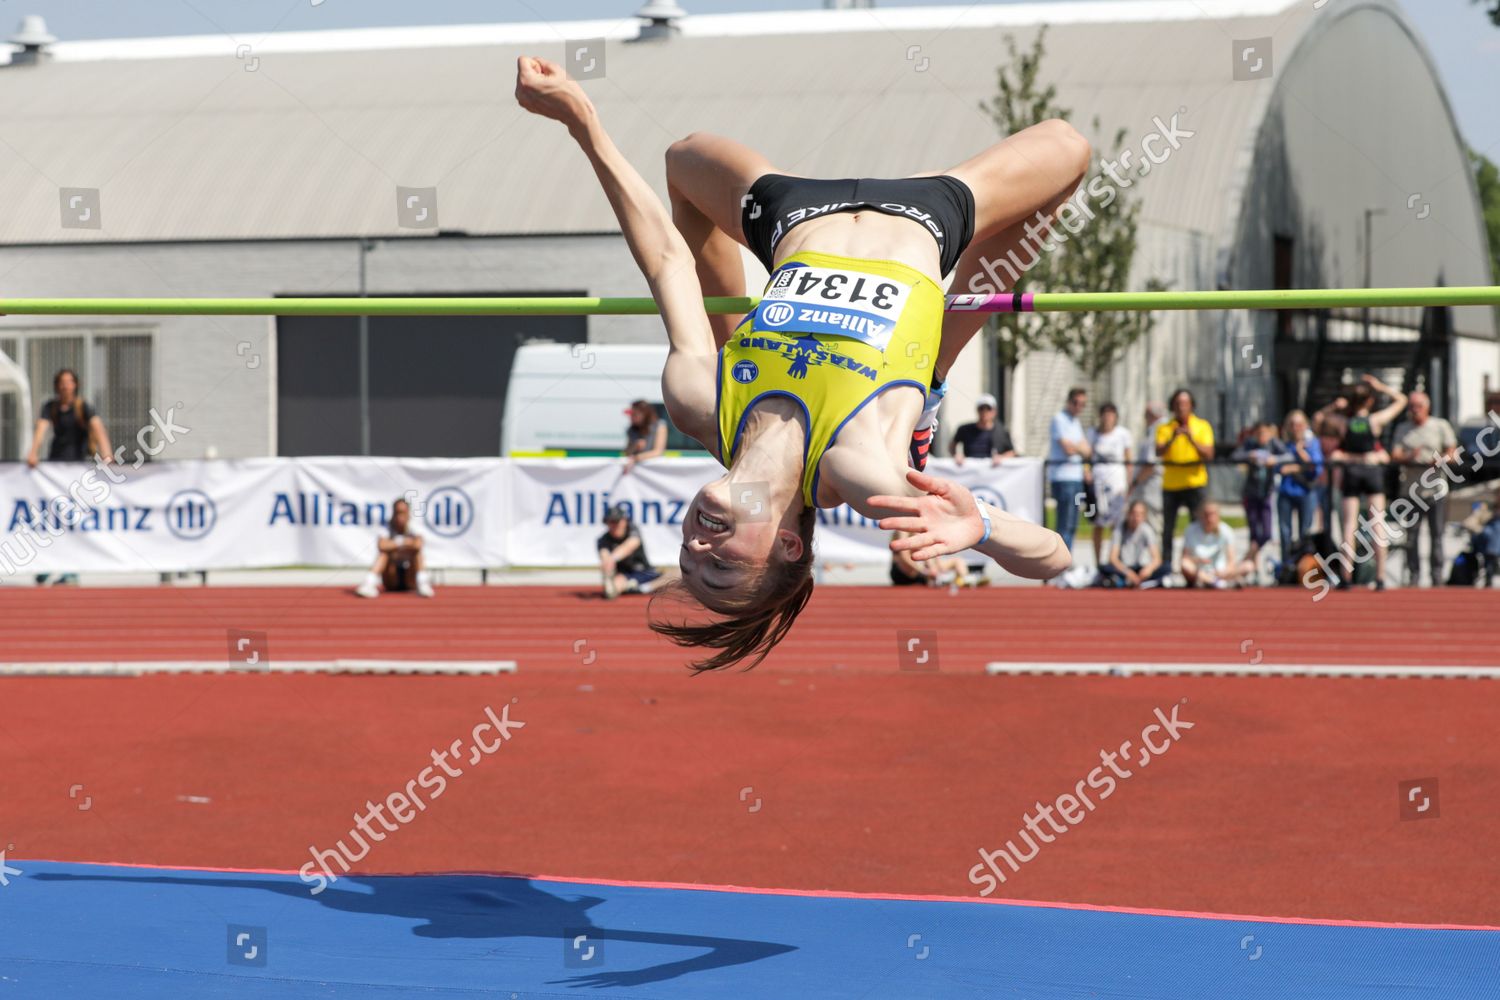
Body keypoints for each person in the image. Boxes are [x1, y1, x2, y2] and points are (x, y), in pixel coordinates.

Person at [515, 56, 1074, 669]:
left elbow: (669, 263)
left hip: (795, 218)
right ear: (787, 545)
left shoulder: (698, 404)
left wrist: (583, 123)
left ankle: (755, 339)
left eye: (687, 559)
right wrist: (984, 527)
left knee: (684, 157)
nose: (697, 547)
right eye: (721, 568)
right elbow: (1054, 556)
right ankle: (939, 357)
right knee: (1068, 147)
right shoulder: (856, 469)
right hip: (929, 218)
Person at [26, 368, 115, 586]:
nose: (66, 386)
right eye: (62, 382)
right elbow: (41, 428)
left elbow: (98, 428)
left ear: (75, 385)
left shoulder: (83, 407)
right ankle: (46, 564)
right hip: (54, 469)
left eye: (69, 382)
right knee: (49, 519)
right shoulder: (51, 407)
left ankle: (69, 569)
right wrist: (33, 452)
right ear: (57, 386)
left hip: (76, 471)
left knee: (71, 520)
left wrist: (107, 454)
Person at [1327, 374, 1407, 591]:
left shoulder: (1344, 422)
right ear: (1370, 401)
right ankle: (1380, 578)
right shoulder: (1374, 421)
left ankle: (1346, 577)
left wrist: (1335, 406)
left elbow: (1320, 417)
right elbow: (1402, 400)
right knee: (1377, 524)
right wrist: (1381, 387)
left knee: (1349, 526)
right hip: (1372, 471)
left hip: (1352, 471)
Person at [1390, 391, 1458, 588]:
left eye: (1418, 406)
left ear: (1427, 407)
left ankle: (1437, 577)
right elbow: (1394, 454)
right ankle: (1414, 576)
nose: (1415, 410)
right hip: (1411, 491)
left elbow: (1453, 452)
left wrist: (1440, 459)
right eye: (1412, 406)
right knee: (1411, 536)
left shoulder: (1440, 425)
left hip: (1436, 489)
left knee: (1437, 535)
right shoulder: (1403, 428)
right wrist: (1409, 456)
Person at [1155, 389, 1214, 575]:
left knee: (1198, 526)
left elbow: (1209, 454)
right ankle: (1166, 568)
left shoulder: (1202, 426)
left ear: (1191, 405)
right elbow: (1158, 452)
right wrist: (1173, 438)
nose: (1181, 407)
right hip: (1171, 484)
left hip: (1195, 482)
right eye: (1178, 404)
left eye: (1185, 403)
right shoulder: (1165, 428)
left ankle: (1198, 567)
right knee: (1168, 528)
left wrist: (1191, 438)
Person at [1231, 421, 1286, 581]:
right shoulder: (1250, 445)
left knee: (1266, 533)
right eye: (1259, 433)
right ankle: (1253, 569)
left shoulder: (1274, 445)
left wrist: (1275, 460)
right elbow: (1235, 456)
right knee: (1254, 532)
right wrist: (1250, 455)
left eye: (1265, 433)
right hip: (1251, 494)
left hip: (1267, 494)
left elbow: (1289, 455)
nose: (1262, 436)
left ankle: (1247, 558)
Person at [1084, 402, 1133, 569]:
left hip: (1117, 483)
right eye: (1105, 414)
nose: (1107, 417)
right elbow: (1087, 456)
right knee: (1097, 523)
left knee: (1116, 523)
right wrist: (1086, 471)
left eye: (1111, 414)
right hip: (1098, 484)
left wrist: (1129, 484)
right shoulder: (1092, 433)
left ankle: (1115, 561)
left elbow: (1129, 460)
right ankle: (1098, 563)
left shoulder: (1123, 434)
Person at [355, 498, 434, 599]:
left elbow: (418, 545)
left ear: (408, 513)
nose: (400, 517)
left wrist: (394, 544)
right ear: (393, 513)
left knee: (417, 553)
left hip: (410, 578)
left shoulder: (414, 526)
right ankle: (368, 584)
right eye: (397, 513)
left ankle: (423, 584)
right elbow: (381, 545)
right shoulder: (387, 526)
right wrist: (404, 542)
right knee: (383, 554)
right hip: (391, 578)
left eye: (403, 513)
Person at [1275, 409, 1324, 569]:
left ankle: (1302, 567)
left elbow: (1316, 468)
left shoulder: (1312, 444)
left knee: (1305, 532)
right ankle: (1286, 566)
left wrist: (1299, 453)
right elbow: (1278, 467)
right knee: (1285, 532)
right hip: (1286, 491)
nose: (1296, 428)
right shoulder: (1282, 444)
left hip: (1306, 492)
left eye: (1299, 424)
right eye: (1292, 424)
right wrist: (1300, 467)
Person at [1047, 388, 1092, 552]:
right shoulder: (1059, 419)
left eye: (1083, 404)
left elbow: (1088, 451)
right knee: (1064, 523)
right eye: (1076, 403)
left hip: (1076, 479)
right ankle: (1060, 560)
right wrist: (1079, 448)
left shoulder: (1075, 422)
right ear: (1069, 401)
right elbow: (1068, 449)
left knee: (1073, 523)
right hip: (1063, 479)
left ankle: (1067, 558)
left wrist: (1077, 447)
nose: (1079, 407)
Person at [597, 505, 669, 599]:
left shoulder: (632, 530)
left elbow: (631, 544)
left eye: (616, 521)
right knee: (616, 585)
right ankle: (633, 587)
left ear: (624, 521)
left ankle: (644, 588)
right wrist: (607, 566)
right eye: (610, 522)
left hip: (645, 572)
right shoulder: (603, 540)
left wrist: (612, 559)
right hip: (625, 576)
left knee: (676, 574)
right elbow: (604, 554)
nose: (614, 525)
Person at [1181, 501, 1254, 589]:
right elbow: (1185, 558)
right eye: (1206, 514)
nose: (1209, 518)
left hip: (1221, 572)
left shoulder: (1226, 531)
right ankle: (1215, 582)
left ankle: (1212, 581)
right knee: (1185, 565)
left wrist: (1224, 572)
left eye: (1212, 514)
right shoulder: (1191, 530)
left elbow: (1231, 561)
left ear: (1218, 515)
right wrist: (1198, 560)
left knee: (1248, 566)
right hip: (1199, 571)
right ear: (1200, 515)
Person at [1099, 501, 1166, 589]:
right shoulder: (1119, 530)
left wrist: (1148, 569)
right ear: (1128, 514)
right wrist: (1128, 572)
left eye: (1140, 514)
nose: (1136, 517)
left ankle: (1126, 582)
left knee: (1167, 567)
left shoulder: (1147, 530)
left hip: (1140, 568)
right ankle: (1142, 583)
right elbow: (1113, 558)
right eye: (1134, 513)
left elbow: (1157, 559)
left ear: (1144, 516)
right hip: (1124, 568)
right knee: (1104, 568)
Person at [1127, 401, 1166, 539]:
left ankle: (1156, 553)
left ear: (1152, 415)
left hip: (1151, 488)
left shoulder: (1158, 430)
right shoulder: (1158, 429)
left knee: (1153, 526)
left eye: (1146, 415)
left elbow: (1151, 463)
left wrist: (1134, 483)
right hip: (1150, 486)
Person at [889, 530, 973, 588]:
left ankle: (963, 580)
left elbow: (931, 549)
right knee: (923, 549)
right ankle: (937, 578)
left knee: (958, 561)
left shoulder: (922, 525)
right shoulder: (903, 530)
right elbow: (904, 555)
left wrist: (937, 566)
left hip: (922, 570)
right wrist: (924, 571)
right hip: (904, 572)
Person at [950, 394, 1016, 465]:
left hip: (993, 470)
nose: (985, 412)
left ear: (994, 412)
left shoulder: (1002, 432)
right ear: (977, 410)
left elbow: (1012, 452)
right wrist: (957, 455)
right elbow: (952, 446)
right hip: (970, 470)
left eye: (988, 409)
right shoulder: (964, 430)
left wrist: (1001, 457)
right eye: (981, 408)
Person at [624, 399, 669, 472]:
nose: (631, 417)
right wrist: (635, 446)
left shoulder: (659, 426)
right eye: (631, 414)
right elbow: (627, 453)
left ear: (645, 414)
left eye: (634, 414)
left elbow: (658, 452)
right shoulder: (631, 430)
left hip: (655, 469)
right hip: (637, 471)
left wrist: (636, 458)